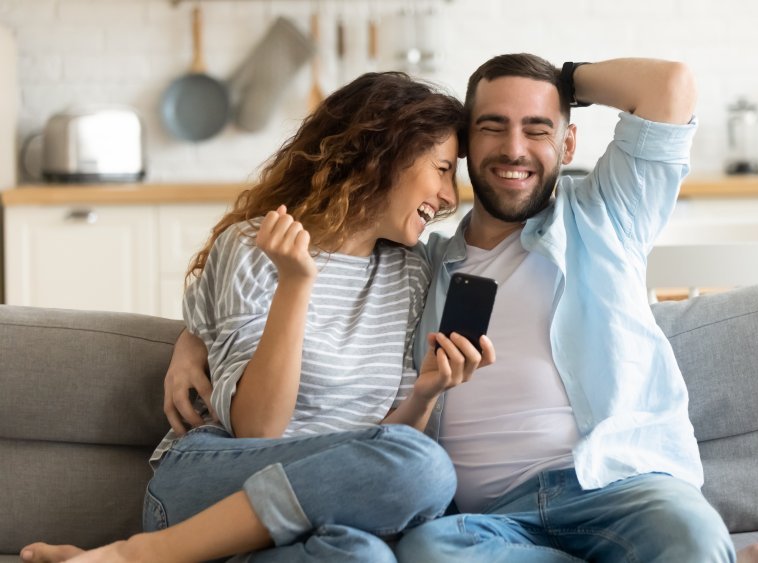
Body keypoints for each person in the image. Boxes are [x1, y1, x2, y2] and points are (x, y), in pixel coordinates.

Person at [158, 54, 758, 563]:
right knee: (426, 547)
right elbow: (274, 300)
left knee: (687, 531)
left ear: (569, 143)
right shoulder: (423, 263)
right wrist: (194, 338)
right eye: (492, 127)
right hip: (484, 515)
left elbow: (670, 85)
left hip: (614, 486)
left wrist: (559, 80)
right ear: (466, 145)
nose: (515, 147)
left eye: (538, 129)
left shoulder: (604, 216)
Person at [20, 71, 494, 563]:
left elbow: (385, 447)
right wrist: (295, 284)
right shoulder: (253, 246)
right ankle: (138, 555)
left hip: (329, 513)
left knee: (364, 555)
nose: (448, 196)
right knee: (427, 470)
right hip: (211, 484)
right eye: (442, 168)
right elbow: (259, 428)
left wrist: (425, 393)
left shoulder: (410, 270)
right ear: (384, 150)